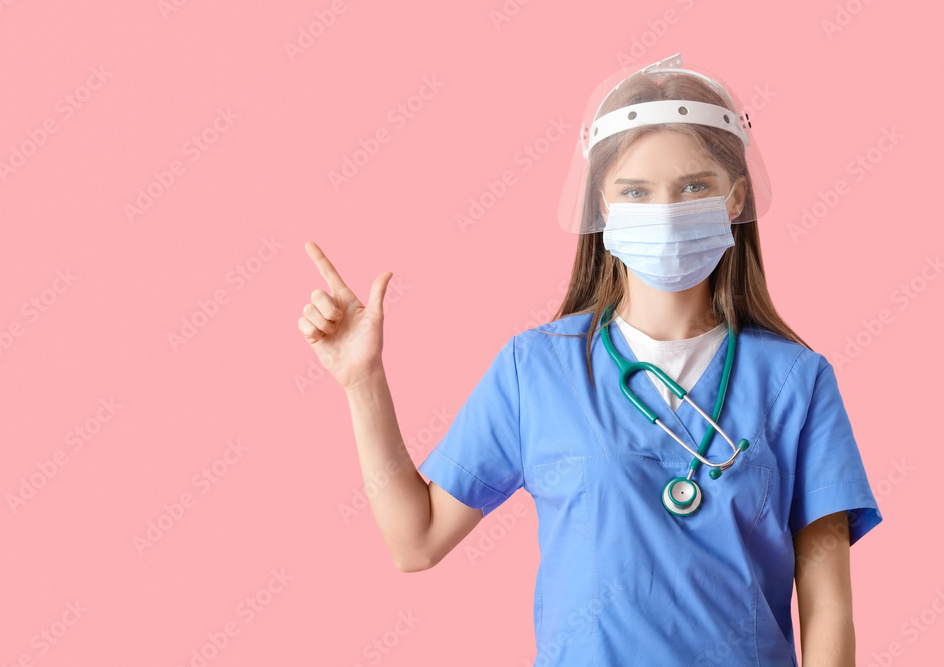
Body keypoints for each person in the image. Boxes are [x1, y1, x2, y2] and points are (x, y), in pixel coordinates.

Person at [299, 53, 882, 666]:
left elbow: (829, 610)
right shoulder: (536, 369)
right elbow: (414, 540)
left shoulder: (796, 380)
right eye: (636, 191)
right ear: (603, 207)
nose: (665, 211)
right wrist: (362, 381)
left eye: (693, 187)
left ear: (735, 197)